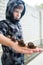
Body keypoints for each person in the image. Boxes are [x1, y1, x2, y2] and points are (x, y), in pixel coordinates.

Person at [0, 0, 43, 65]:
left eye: (20, 12)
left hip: (20, 57)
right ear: (10, 10)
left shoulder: (18, 25)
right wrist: (12, 44)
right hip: (9, 60)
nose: (18, 14)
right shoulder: (4, 24)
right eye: (16, 11)